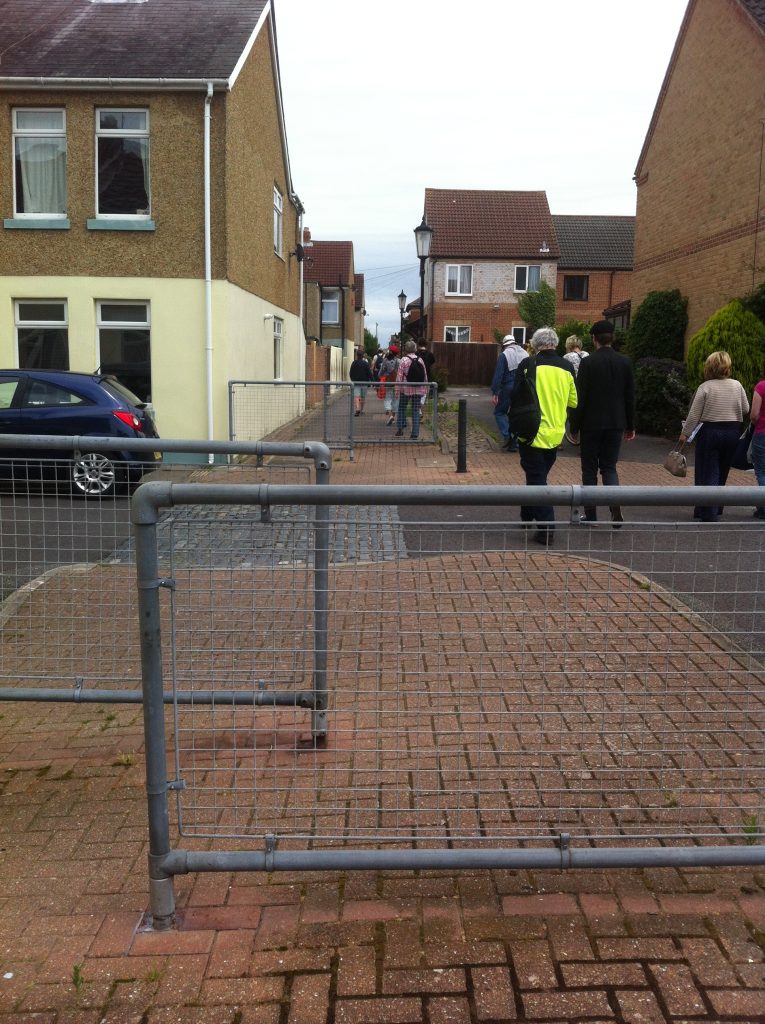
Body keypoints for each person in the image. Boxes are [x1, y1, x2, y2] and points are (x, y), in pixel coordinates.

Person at [513, 327, 577, 546]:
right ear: (555, 343)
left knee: (537, 479)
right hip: (555, 435)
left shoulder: (528, 364)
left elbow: (516, 395)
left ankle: (547, 529)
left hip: (530, 432)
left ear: (535, 344)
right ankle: (527, 512)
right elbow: (573, 402)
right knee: (537, 476)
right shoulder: (567, 367)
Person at [568, 320, 635, 526]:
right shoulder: (625, 362)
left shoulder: (588, 363)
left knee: (589, 469)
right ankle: (614, 505)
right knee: (609, 466)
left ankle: (591, 514)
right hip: (616, 422)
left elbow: (581, 397)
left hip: (591, 423)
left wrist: (574, 427)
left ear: (594, 339)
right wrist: (630, 425)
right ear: (612, 338)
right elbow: (630, 396)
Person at [679, 350, 749, 522]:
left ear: (709, 367)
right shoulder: (737, 385)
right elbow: (746, 409)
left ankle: (707, 511)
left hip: (710, 432)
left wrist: (684, 434)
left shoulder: (705, 387)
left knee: (708, 470)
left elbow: (694, 415)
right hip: (733, 431)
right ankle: (715, 507)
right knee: (723, 470)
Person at [491, 333, 527, 452]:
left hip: (508, 387)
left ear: (504, 345)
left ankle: (508, 437)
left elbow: (498, 375)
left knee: (500, 412)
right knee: (516, 415)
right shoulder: (525, 354)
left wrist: (495, 392)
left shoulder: (504, 355)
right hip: (523, 388)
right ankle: (514, 444)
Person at [395, 339, 428, 439]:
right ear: (414, 349)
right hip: (418, 390)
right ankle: (415, 433)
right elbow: (425, 376)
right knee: (415, 410)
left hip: (405, 390)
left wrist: (397, 390)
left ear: (406, 349)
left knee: (401, 408)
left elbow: (399, 377)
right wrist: (425, 389)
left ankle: (400, 429)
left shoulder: (403, 360)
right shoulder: (420, 359)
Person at [750, 364, 765, 519]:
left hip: (762, 432)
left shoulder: (761, 387)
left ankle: (763, 507)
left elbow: (754, 415)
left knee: (762, 471)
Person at [378, 344, 400, 426]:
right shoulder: (398, 361)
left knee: (388, 397)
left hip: (388, 382)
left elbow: (381, 372)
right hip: (397, 383)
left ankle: (388, 409)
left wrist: (380, 376)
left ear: (390, 351)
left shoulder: (385, 361)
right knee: (395, 399)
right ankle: (392, 416)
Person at [349, 348, 372, 416]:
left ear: (357, 355)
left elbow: (351, 373)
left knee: (356, 396)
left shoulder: (354, 363)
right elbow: (369, 373)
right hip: (364, 383)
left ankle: (357, 409)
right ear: (363, 356)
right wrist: (371, 381)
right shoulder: (365, 363)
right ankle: (361, 410)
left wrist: (352, 380)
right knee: (362, 397)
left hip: (356, 383)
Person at [416, 341, 436, 417]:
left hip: (417, 375)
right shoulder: (430, 354)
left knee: (417, 392)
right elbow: (433, 361)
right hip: (427, 375)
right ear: (426, 345)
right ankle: (420, 406)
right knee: (424, 393)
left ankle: (419, 409)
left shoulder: (416, 353)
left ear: (418, 345)